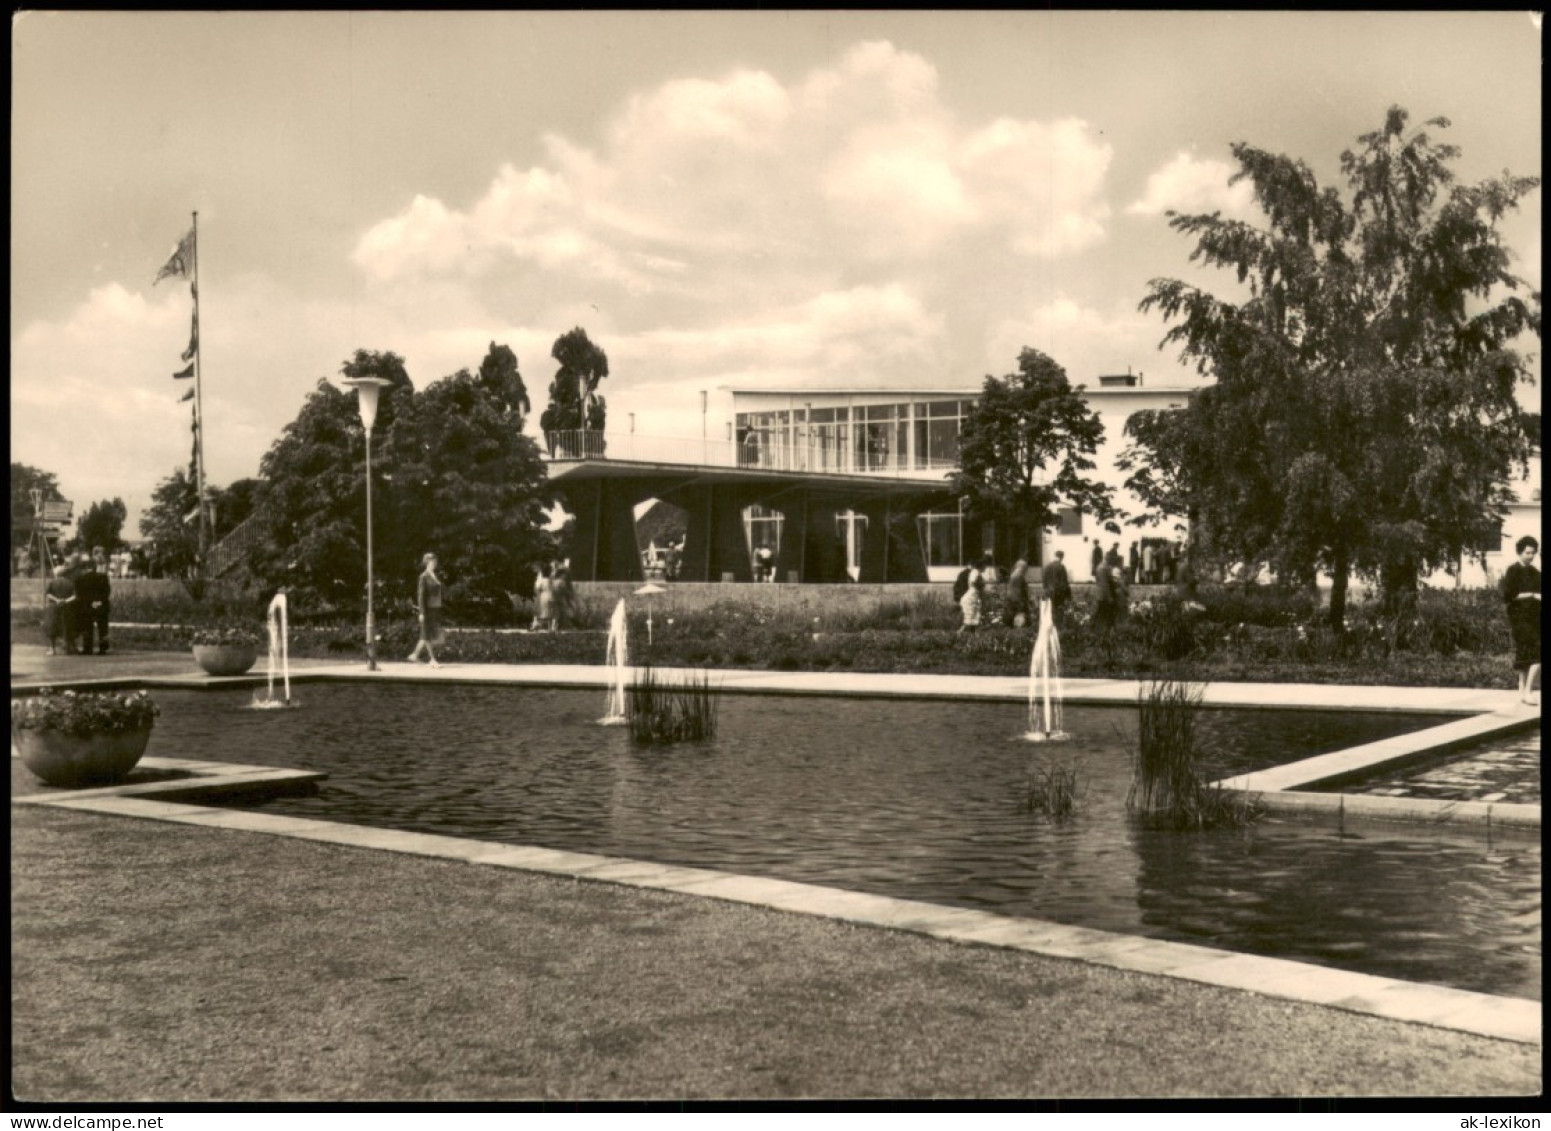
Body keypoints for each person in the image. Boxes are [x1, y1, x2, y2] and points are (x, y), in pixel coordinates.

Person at [1501, 536, 1540, 705]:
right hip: (1519, 618)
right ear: (1520, 552)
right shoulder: (1513, 571)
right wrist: (1532, 594)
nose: (1531, 556)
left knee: (1526, 654)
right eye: (1528, 552)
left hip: (1534, 618)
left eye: (1533, 553)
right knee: (1537, 655)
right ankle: (1528, 691)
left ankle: (1523, 691)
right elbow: (1509, 595)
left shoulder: (1535, 573)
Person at [407, 552, 444, 667]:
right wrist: (422, 612)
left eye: (435, 561)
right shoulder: (423, 577)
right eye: (432, 561)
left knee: (427, 635)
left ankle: (414, 655)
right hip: (428, 609)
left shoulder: (434, 575)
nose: (434, 563)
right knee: (426, 634)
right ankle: (432, 660)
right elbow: (421, 596)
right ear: (427, 563)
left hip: (435, 609)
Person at [43, 562, 77, 656]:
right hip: (66, 607)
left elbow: (48, 594)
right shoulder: (70, 583)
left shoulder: (52, 582)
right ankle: (68, 649)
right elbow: (75, 596)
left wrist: (57, 600)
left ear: (56, 574)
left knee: (52, 626)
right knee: (66, 626)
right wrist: (65, 600)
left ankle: (52, 649)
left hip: (54, 606)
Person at [958, 553, 991, 633]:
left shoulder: (976, 573)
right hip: (971, 599)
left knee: (974, 622)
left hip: (974, 599)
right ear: (981, 565)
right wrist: (981, 585)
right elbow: (974, 582)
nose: (986, 568)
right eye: (985, 566)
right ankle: (957, 635)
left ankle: (973, 639)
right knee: (968, 622)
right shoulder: (975, 572)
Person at [1041, 549, 1072, 625]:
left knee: (1049, 611)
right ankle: (1058, 626)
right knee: (1058, 611)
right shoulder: (1061, 567)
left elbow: (1044, 581)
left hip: (1048, 592)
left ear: (1055, 556)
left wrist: (1045, 590)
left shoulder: (1047, 566)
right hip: (1058, 593)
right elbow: (1064, 582)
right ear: (1062, 557)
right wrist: (1069, 595)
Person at [1002, 558, 1031, 627]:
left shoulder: (1014, 575)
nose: (1026, 571)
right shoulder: (1018, 576)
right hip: (1017, 601)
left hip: (1013, 600)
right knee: (1020, 620)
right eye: (1025, 568)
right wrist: (1021, 603)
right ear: (1022, 567)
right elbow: (1017, 590)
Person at [533, 563, 556, 632]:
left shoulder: (542, 580)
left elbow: (537, 588)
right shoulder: (551, 580)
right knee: (551, 613)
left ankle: (536, 624)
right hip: (551, 596)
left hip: (543, 596)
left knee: (541, 611)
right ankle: (551, 628)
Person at [552, 560, 575, 628]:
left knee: (560, 610)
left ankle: (559, 625)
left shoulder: (559, 579)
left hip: (560, 595)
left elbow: (568, 587)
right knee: (559, 610)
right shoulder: (559, 580)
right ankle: (557, 625)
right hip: (559, 596)